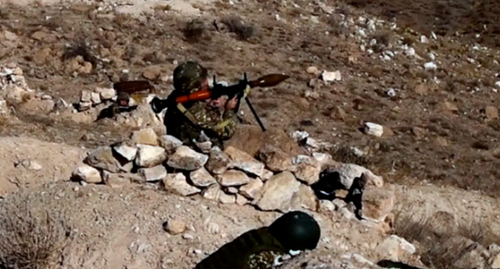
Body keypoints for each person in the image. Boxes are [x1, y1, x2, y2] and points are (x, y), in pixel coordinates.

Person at [162, 61, 239, 149]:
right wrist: (229, 110)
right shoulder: (195, 110)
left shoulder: (176, 96)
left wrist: (210, 106)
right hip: (194, 151)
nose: (206, 83)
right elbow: (226, 132)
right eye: (203, 82)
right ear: (194, 88)